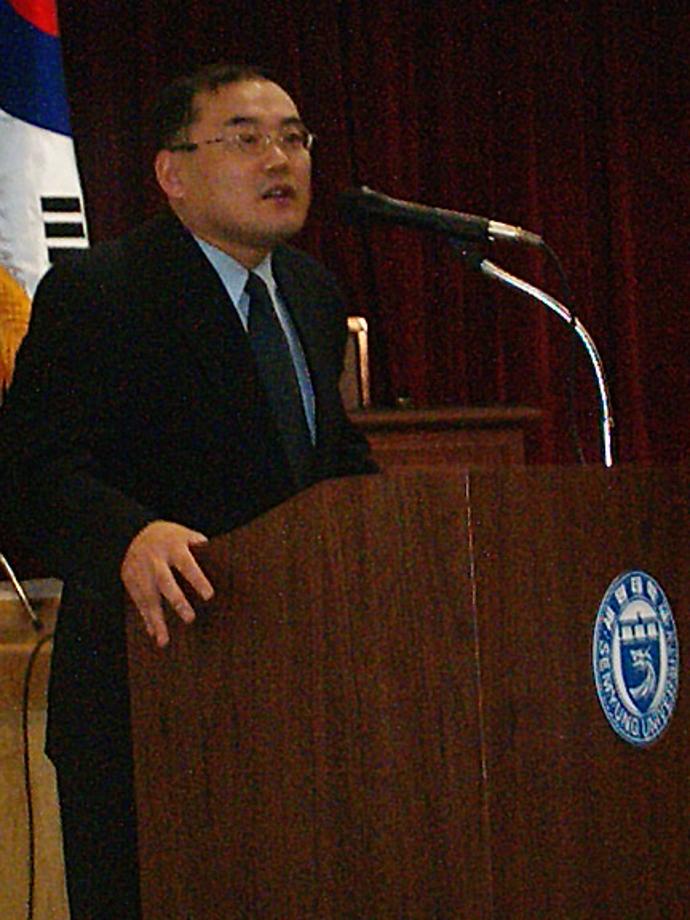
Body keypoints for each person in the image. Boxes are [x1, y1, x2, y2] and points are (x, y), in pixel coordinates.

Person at [0, 62, 376, 918]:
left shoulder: (312, 294)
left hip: (297, 698)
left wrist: (396, 525)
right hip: (148, 697)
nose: (279, 159)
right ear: (173, 172)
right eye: (246, 139)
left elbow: (330, 462)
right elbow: (32, 473)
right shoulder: (101, 292)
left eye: (294, 139)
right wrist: (129, 536)